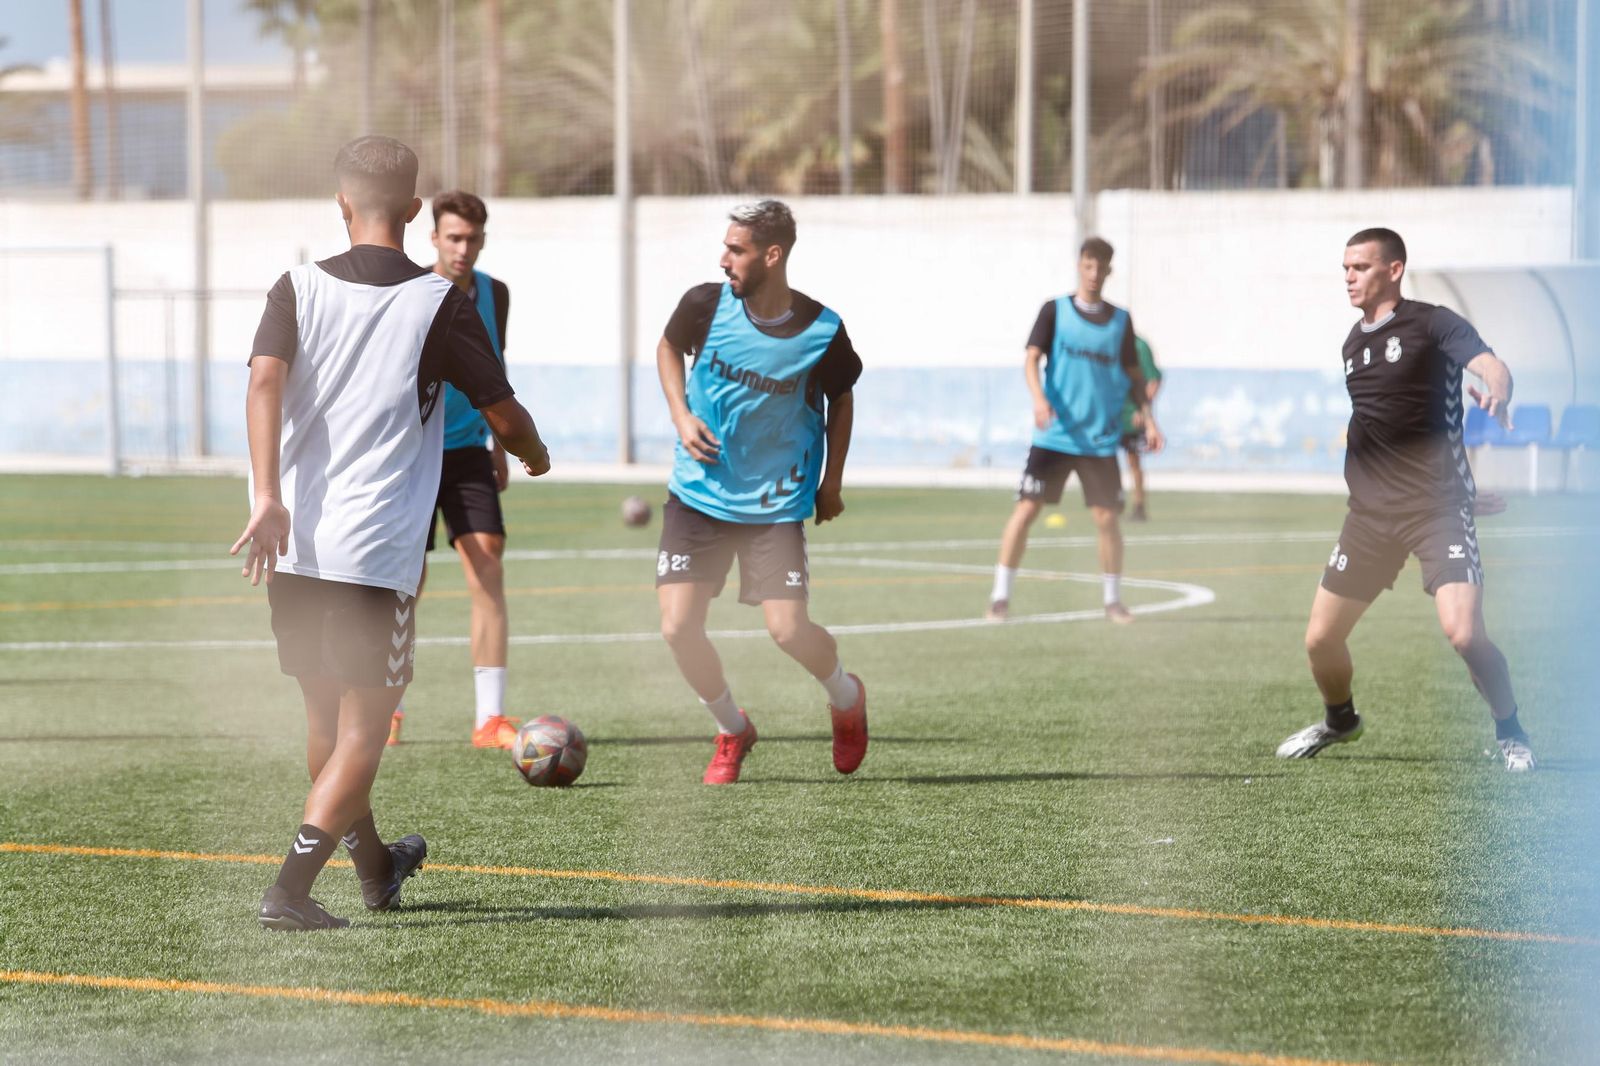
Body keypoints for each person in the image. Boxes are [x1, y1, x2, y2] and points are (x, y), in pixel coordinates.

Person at [232, 136, 551, 932]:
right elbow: (503, 412)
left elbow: (263, 381)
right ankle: (291, 891)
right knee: (364, 734)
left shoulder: (295, 285)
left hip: (293, 544)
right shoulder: (441, 299)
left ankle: (376, 867)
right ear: (415, 211)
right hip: (374, 556)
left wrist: (267, 496)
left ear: (342, 204)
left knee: (325, 726)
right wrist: (534, 450)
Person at [1276, 227, 1532, 772]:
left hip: (1436, 512)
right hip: (1370, 517)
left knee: (1463, 634)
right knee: (1321, 641)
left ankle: (1510, 729)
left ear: (1393, 270)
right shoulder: (1351, 342)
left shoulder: (1434, 323)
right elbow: (1381, 422)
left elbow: (1490, 364)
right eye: (1345, 268)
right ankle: (1341, 721)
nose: (1348, 277)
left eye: (1360, 267)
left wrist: (1499, 391)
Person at [655, 199, 866, 785]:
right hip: (699, 494)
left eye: (737, 249)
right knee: (677, 627)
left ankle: (846, 697)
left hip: (775, 505)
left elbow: (842, 399)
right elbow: (668, 348)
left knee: (788, 631)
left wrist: (833, 482)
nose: (724, 259)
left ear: (772, 256)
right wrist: (680, 415)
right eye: (725, 247)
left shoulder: (823, 330)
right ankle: (731, 729)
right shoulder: (704, 304)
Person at [387, 190, 519, 750]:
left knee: (487, 565)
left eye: (472, 238)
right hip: (412, 452)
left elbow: (494, 369)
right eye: (453, 238)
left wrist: (496, 441)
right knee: (403, 581)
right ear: (434, 239)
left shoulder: (497, 295)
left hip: (467, 451)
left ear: (483, 240)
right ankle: (385, 708)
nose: (463, 249)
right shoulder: (410, 293)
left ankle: (489, 718)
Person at [987, 237, 1163, 625]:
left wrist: (1149, 419)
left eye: (1101, 267)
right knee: (1027, 510)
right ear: (1078, 266)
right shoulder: (1054, 311)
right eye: (1088, 265)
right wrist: (1038, 398)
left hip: (1099, 440)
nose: (1094, 273)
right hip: (1055, 436)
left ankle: (1113, 600)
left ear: (1109, 271)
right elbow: (1031, 360)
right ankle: (1000, 597)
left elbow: (1136, 377)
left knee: (1106, 519)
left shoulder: (1120, 321)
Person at [1120, 335, 1162, 522]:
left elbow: (1153, 381)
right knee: (1100, 460)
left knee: (1133, 461)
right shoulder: (1103, 342)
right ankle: (1107, 505)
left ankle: (1138, 506)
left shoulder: (1139, 346)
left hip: (1131, 415)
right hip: (1107, 415)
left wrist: (1141, 410)